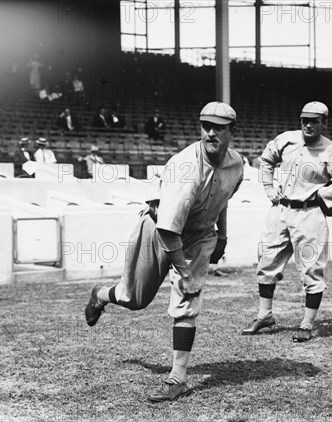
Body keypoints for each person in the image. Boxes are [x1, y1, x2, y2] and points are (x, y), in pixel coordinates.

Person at [84, 101, 244, 401]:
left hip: (198, 235)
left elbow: (223, 199)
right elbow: (168, 230)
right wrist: (183, 270)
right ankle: (101, 295)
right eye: (205, 126)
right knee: (134, 298)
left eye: (218, 128)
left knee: (187, 300)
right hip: (157, 231)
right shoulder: (186, 167)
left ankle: (177, 378)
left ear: (232, 131)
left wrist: (222, 236)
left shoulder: (237, 165)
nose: (210, 133)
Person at [240, 101, 332, 342]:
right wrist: (268, 186)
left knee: (311, 269)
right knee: (266, 262)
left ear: (324, 123)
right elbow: (266, 159)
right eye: (304, 120)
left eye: (314, 121)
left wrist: (322, 195)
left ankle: (306, 324)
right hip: (281, 209)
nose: (308, 125)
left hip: (310, 214)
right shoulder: (287, 139)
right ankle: (265, 315)